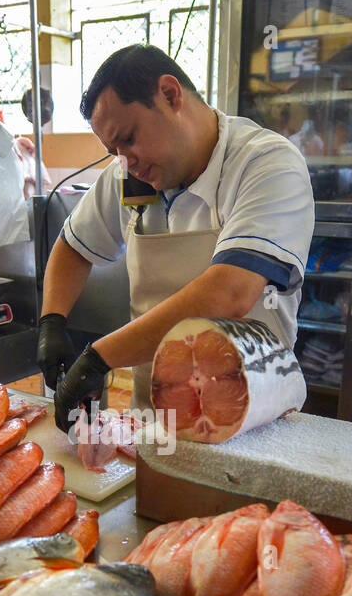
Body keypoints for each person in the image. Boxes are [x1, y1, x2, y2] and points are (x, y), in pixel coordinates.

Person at [39, 45, 314, 431]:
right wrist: (52, 322)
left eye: (129, 138)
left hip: (250, 419)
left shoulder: (265, 163)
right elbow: (72, 247)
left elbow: (230, 292)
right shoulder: (129, 177)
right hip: (152, 419)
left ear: (170, 95)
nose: (125, 161)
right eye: (114, 151)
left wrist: (99, 357)